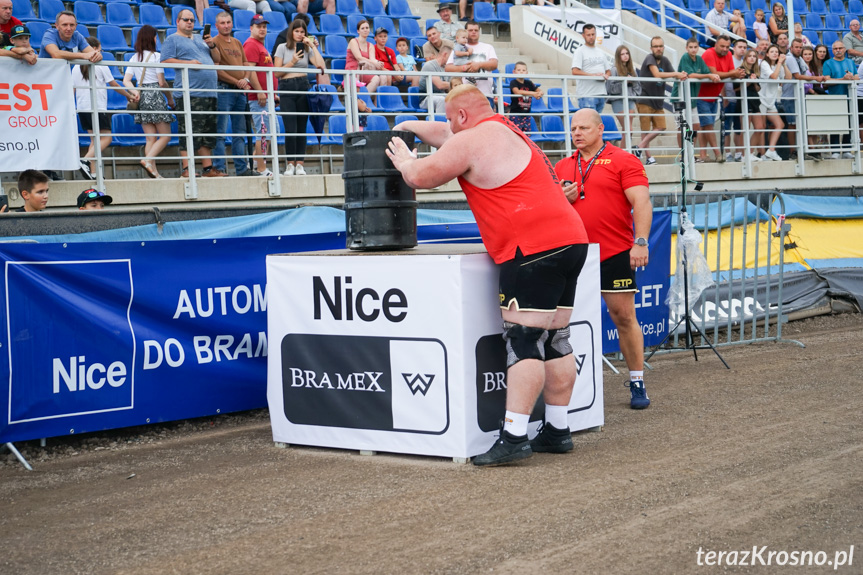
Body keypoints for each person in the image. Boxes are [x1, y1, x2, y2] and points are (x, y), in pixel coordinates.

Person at [386, 84, 590, 466]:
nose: (447, 128)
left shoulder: (473, 139)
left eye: (450, 118)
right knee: (556, 336)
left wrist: (403, 160)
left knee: (525, 338)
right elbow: (449, 136)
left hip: (532, 247)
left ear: (462, 117)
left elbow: (422, 175)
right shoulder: (504, 130)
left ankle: (514, 435)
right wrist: (411, 123)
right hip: (571, 239)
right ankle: (558, 429)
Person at [554, 109, 652, 410]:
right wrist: (562, 199)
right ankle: (567, 388)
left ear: (600, 129)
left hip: (614, 252)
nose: (577, 133)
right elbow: (550, 210)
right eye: (573, 128)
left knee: (623, 317)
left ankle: (637, 380)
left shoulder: (623, 160)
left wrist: (640, 242)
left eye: (583, 127)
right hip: (572, 253)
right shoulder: (561, 165)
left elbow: (642, 202)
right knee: (562, 322)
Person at [160, 8, 227, 177]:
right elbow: (166, 61)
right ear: (178, 21)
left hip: (209, 93)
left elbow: (217, 59)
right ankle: (187, 169)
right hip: (189, 93)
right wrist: (187, 62)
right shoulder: (172, 39)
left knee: (207, 133)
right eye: (186, 19)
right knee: (189, 131)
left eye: (192, 20)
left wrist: (212, 45)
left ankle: (207, 168)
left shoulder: (200, 38)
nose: (189, 22)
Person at [73, 37, 134, 181]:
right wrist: (127, 95)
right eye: (100, 50)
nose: (101, 53)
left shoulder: (76, 66)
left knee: (95, 142)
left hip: (83, 108)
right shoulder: (100, 65)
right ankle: (85, 160)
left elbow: (72, 90)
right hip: (97, 107)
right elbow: (113, 84)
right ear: (93, 49)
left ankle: (93, 174)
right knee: (107, 137)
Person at [124, 24, 176, 180]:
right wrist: (170, 98)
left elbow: (126, 80)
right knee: (166, 136)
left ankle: (153, 172)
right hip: (155, 96)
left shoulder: (134, 57)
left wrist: (135, 92)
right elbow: (161, 82)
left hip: (142, 96)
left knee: (150, 138)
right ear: (152, 38)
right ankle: (147, 161)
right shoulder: (156, 56)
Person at [274, 18, 325, 176]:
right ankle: (290, 164)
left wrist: (313, 47)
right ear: (291, 32)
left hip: (303, 86)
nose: (299, 34)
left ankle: (300, 164)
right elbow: (276, 72)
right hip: (287, 87)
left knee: (302, 128)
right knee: (291, 129)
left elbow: (321, 66)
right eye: (296, 31)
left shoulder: (306, 48)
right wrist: (293, 62)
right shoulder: (282, 47)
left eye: (302, 32)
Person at [211, 10, 254, 177]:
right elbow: (216, 69)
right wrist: (237, 81)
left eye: (228, 22)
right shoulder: (214, 42)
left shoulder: (237, 42)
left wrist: (245, 79)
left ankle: (241, 169)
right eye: (222, 23)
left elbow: (246, 64)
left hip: (240, 91)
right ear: (217, 26)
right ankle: (220, 168)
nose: (226, 25)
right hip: (223, 90)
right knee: (220, 132)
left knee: (240, 133)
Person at [634, 37, 686, 165]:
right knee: (645, 130)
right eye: (656, 46)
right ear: (651, 48)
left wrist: (681, 74)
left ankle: (638, 148)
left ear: (663, 48)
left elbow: (674, 73)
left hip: (658, 101)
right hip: (645, 99)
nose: (658, 48)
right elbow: (657, 74)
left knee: (661, 126)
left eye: (661, 46)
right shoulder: (649, 58)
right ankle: (649, 158)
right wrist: (676, 74)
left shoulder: (665, 60)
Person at [697, 35, 745, 162]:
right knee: (708, 125)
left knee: (705, 126)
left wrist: (738, 73)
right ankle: (718, 153)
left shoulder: (728, 54)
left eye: (727, 47)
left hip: (714, 95)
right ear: (716, 45)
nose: (725, 49)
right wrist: (734, 73)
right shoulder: (708, 53)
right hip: (701, 95)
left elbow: (729, 74)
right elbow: (715, 73)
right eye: (722, 46)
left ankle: (703, 155)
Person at [244, 14, 278, 177]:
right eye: (259, 26)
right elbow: (249, 72)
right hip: (259, 98)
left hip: (266, 96)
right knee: (264, 131)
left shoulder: (259, 45)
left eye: (264, 26)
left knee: (269, 131)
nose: (262, 29)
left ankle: (255, 163)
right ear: (251, 28)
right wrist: (259, 91)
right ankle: (260, 168)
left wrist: (272, 93)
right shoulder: (251, 44)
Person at [671, 37, 720, 149]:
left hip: (692, 100)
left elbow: (707, 71)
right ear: (686, 48)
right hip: (680, 98)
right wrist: (709, 75)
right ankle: (682, 153)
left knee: (696, 125)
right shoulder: (685, 57)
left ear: (698, 48)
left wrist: (713, 75)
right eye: (691, 47)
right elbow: (691, 75)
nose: (693, 49)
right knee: (681, 127)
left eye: (695, 47)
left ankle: (690, 150)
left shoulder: (699, 59)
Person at [823, 41, 859, 158]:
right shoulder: (828, 63)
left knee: (849, 124)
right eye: (835, 48)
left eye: (840, 48)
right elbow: (827, 81)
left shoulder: (850, 62)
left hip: (850, 97)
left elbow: (857, 77)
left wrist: (851, 77)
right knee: (835, 124)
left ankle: (847, 150)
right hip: (835, 98)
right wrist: (843, 79)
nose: (838, 50)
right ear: (832, 51)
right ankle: (835, 151)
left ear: (844, 49)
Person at [444, 21, 498, 99]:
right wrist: (464, 68)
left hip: (485, 94)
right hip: (464, 95)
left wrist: (478, 65)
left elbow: (494, 64)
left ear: (479, 32)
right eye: (470, 30)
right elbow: (448, 68)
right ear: (465, 31)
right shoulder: (458, 47)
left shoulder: (488, 47)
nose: (473, 32)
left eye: (476, 30)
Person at [758, 44, 788, 161]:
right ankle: (761, 154)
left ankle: (770, 151)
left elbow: (788, 78)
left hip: (771, 101)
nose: (775, 54)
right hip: (761, 99)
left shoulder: (778, 65)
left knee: (780, 125)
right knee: (762, 127)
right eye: (772, 52)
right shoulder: (764, 64)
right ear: (767, 54)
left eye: (777, 52)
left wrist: (783, 64)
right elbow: (774, 76)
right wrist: (780, 63)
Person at [570, 24, 610, 112]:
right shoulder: (579, 51)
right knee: (589, 123)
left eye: (593, 34)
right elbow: (575, 71)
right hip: (587, 94)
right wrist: (593, 75)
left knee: (596, 123)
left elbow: (608, 71)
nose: (591, 37)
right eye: (588, 35)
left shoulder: (601, 52)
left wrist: (605, 75)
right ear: (583, 35)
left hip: (601, 93)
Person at [607, 45, 641, 141]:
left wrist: (632, 83)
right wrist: (624, 82)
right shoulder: (613, 70)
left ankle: (624, 154)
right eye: (622, 54)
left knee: (628, 131)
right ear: (618, 56)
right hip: (618, 101)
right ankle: (624, 154)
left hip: (630, 100)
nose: (625, 56)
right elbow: (610, 89)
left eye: (627, 53)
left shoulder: (632, 70)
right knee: (628, 129)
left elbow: (638, 87)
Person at [722, 38, 748, 162]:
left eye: (744, 47)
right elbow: (722, 79)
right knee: (727, 128)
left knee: (738, 128)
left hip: (740, 99)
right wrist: (724, 97)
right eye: (740, 47)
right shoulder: (729, 60)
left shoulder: (745, 62)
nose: (742, 49)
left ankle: (738, 153)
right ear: (734, 48)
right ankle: (727, 153)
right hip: (728, 98)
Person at [346, 19, 386, 95]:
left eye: (367, 28)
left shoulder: (370, 45)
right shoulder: (353, 41)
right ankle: (360, 100)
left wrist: (378, 63)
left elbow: (372, 59)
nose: (365, 30)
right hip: (353, 70)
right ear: (358, 31)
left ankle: (373, 102)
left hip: (364, 70)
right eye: (362, 28)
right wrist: (374, 62)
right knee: (376, 78)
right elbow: (359, 57)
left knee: (383, 77)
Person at [737, 49, 764, 161]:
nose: (752, 58)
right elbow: (736, 88)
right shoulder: (741, 70)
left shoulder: (755, 71)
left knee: (760, 128)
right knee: (745, 129)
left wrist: (754, 81)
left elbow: (757, 88)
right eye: (750, 56)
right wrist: (749, 81)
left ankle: (750, 152)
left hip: (754, 101)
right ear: (746, 58)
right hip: (744, 100)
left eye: (754, 56)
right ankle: (744, 155)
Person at [508, 62, 543, 133]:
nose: (521, 71)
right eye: (519, 70)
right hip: (516, 114)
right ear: (514, 72)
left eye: (523, 70)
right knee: (516, 135)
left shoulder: (529, 83)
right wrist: (533, 93)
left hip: (526, 114)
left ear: (526, 72)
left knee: (526, 135)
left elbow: (538, 90)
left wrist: (540, 93)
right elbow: (517, 91)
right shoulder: (513, 82)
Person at [418, 46, 451, 113]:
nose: (452, 60)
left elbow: (447, 88)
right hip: (426, 98)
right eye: (451, 57)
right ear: (445, 54)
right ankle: (440, 122)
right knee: (441, 100)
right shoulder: (429, 65)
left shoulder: (445, 68)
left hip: (441, 95)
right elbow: (440, 85)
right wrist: (456, 84)